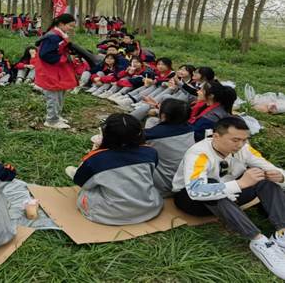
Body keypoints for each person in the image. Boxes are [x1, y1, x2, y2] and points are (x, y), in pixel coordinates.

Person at [172, 116, 285, 279]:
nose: (240, 145)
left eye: (244, 140)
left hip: (230, 191)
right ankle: (259, 241)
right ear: (216, 136)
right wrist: (240, 184)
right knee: (212, 187)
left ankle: (282, 232)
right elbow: (195, 190)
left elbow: (270, 167)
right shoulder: (198, 153)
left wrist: (280, 177)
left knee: (264, 178)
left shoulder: (244, 149)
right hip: (191, 199)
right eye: (235, 140)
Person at [68, 113, 163, 225]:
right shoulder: (151, 152)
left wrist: (95, 151)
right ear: (139, 133)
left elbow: (81, 182)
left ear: (106, 135)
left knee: (86, 191)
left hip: (109, 214)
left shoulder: (96, 159)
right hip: (149, 209)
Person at [34, 14, 78, 129]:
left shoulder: (58, 35)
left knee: (60, 94)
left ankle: (56, 116)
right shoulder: (53, 37)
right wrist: (65, 58)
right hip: (50, 71)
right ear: (61, 24)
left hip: (57, 70)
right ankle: (51, 120)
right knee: (53, 96)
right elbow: (45, 55)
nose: (71, 28)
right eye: (70, 26)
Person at [144, 99, 195, 196]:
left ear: (163, 115)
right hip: (184, 181)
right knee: (152, 121)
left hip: (165, 185)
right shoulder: (190, 128)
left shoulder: (153, 134)